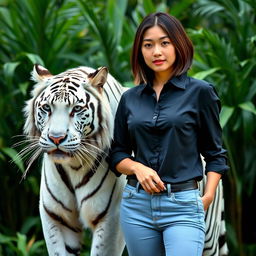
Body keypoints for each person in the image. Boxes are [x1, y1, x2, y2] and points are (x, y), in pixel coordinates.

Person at [109, 12, 229, 256]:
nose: (157, 52)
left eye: (165, 43)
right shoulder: (129, 99)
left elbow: (216, 154)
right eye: (148, 45)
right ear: (139, 51)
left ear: (178, 44)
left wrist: (206, 198)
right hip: (137, 206)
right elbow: (116, 154)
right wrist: (137, 168)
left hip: (184, 205)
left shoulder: (201, 93)